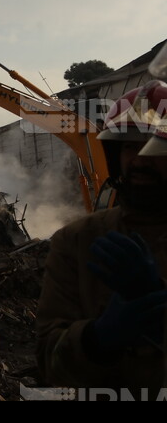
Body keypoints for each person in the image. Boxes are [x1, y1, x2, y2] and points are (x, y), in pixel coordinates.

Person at [37, 80, 167, 393]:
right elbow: (47, 361)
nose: (139, 160)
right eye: (129, 146)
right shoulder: (76, 241)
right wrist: (96, 339)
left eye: (154, 146)